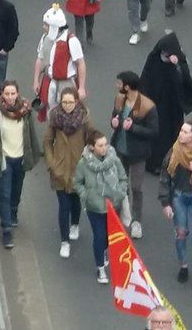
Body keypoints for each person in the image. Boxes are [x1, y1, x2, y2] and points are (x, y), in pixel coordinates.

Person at [158, 118, 192, 294]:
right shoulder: (174, 152)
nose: (181, 134)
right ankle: (183, 265)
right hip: (179, 198)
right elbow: (165, 177)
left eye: (185, 132)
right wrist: (166, 203)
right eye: (181, 130)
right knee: (181, 234)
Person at [0, 79, 41, 249]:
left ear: (18, 94)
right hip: (4, 159)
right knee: (5, 193)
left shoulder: (25, 111)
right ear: (2, 93)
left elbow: (30, 134)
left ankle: (13, 210)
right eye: (7, 93)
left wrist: (34, 153)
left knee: (16, 190)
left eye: (13, 93)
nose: (10, 97)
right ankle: (6, 229)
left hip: (20, 157)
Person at [45, 87, 96, 259]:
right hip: (60, 168)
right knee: (63, 205)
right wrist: (52, 163)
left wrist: (88, 157)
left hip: (78, 168)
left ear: (77, 102)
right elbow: (47, 141)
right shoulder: (54, 117)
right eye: (64, 102)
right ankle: (64, 241)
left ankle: (75, 223)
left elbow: (94, 140)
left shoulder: (84, 119)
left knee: (75, 201)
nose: (67, 106)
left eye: (71, 102)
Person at [74, 129, 130, 284]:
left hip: (113, 206)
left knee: (108, 236)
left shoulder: (114, 160)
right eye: (100, 145)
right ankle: (100, 268)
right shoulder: (84, 164)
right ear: (91, 147)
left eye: (105, 144)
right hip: (95, 207)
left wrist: (121, 192)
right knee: (99, 236)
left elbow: (123, 178)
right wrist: (86, 196)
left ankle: (104, 251)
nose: (104, 148)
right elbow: (77, 183)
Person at [139, 32, 192, 174]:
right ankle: (154, 163)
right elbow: (145, 81)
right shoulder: (153, 59)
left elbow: (186, 81)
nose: (166, 56)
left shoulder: (179, 62)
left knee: (172, 134)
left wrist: (177, 66)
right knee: (157, 135)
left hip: (173, 107)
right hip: (156, 106)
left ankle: (173, 160)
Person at [109, 71, 158, 239]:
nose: (117, 85)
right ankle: (120, 213)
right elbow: (114, 117)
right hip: (119, 149)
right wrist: (114, 122)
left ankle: (137, 221)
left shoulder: (147, 106)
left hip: (137, 153)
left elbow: (153, 132)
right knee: (121, 185)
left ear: (127, 86)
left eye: (119, 83)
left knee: (136, 187)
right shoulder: (120, 99)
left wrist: (134, 128)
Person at [32, 4, 86, 119]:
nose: (44, 27)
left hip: (66, 84)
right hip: (49, 81)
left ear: (54, 27)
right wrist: (36, 81)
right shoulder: (45, 38)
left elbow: (80, 64)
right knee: (50, 113)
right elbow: (40, 59)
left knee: (68, 113)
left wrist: (81, 87)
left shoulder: (71, 41)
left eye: (46, 25)